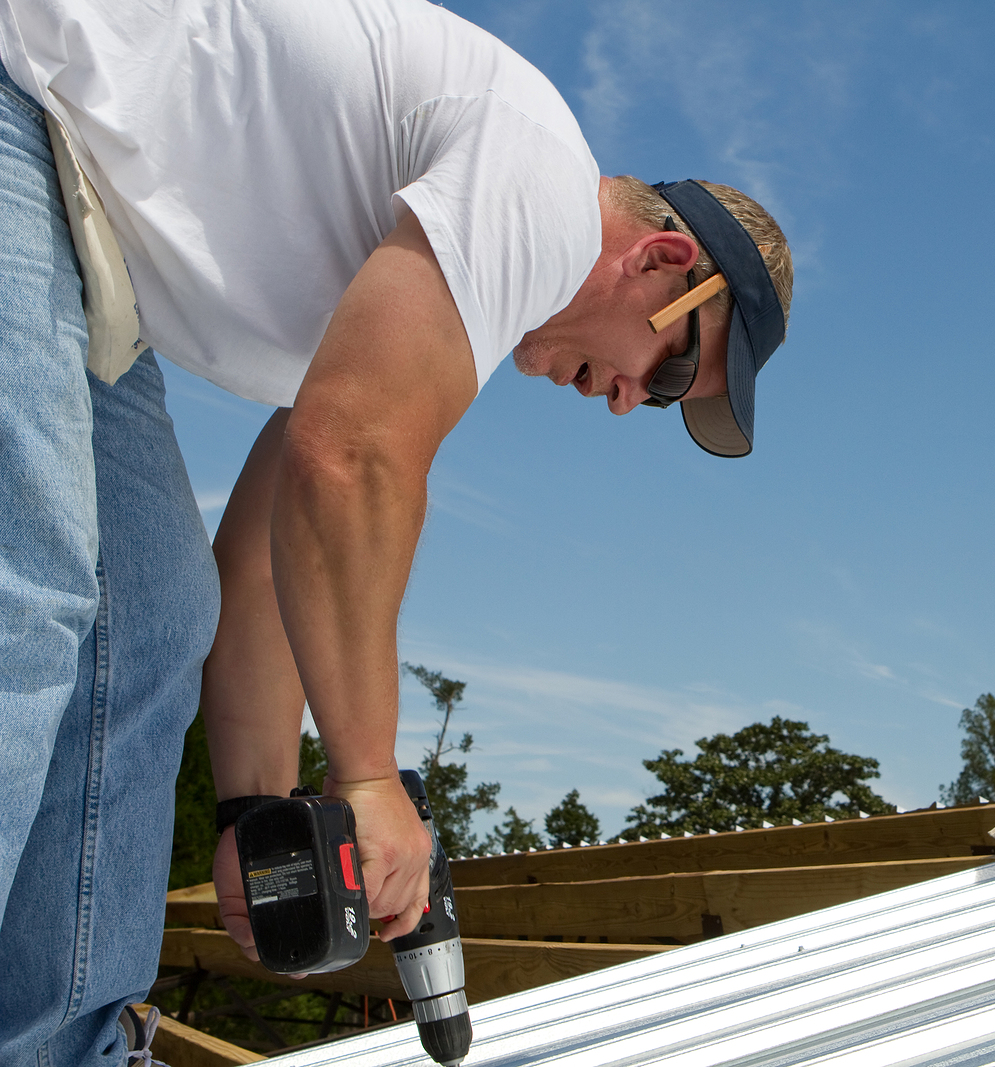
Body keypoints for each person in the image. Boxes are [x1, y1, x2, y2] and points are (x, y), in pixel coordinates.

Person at [0, 0, 792, 1060]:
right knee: (32, 592)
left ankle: (53, 1045)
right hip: (24, 106)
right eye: (676, 371)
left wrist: (259, 813)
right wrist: (367, 778)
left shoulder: (431, 281)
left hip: (77, 220)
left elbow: (278, 547)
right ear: (659, 258)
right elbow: (352, 456)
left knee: (152, 615)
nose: (629, 400)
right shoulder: (544, 193)